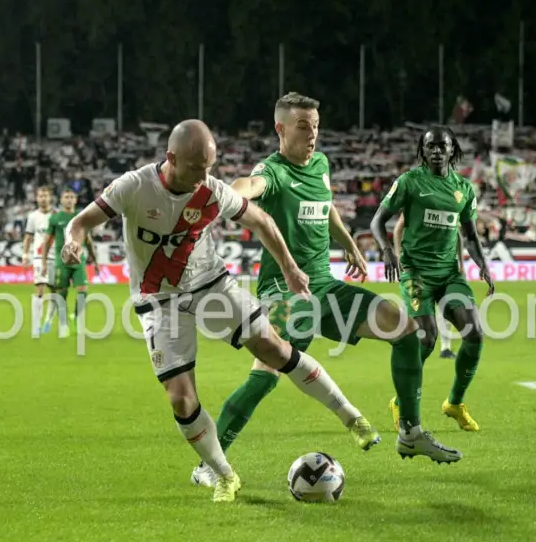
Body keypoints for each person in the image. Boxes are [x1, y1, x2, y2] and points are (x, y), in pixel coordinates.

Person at [63, 119, 384, 503]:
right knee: (181, 398)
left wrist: (289, 267)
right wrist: (73, 243)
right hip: (158, 300)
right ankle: (223, 474)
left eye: (210, 167)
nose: (204, 176)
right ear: (171, 158)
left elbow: (261, 220)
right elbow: (81, 223)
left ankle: (351, 416)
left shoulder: (212, 190)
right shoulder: (134, 186)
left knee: (274, 349)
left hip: (210, 286)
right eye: (197, 167)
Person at [191, 93, 463, 489]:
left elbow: (327, 204)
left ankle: (410, 432)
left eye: (316, 126)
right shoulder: (273, 171)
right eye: (303, 126)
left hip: (327, 288)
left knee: (406, 331)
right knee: (265, 375)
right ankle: (207, 464)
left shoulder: (320, 164)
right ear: (280, 129)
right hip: (283, 292)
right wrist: (224, 196)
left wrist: (348, 242)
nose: (313, 134)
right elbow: (247, 185)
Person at [370, 125, 495, 434]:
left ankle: (454, 403)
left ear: (453, 150)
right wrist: (387, 252)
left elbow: (470, 234)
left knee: (475, 334)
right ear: (422, 151)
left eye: (442, 145)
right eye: (430, 146)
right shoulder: (409, 183)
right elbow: (377, 221)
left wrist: (483, 265)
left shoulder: (464, 189)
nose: (437, 150)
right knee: (426, 338)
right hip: (416, 273)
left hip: (449, 273)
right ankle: (401, 401)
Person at [393, 213, 464, 360]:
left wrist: (460, 263)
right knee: (416, 308)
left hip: (441, 265)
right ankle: (400, 330)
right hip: (417, 265)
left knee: (443, 306)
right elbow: (399, 228)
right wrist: (398, 256)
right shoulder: (417, 202)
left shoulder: (446, 205)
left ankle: (445, 348)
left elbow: (457, 234)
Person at [41, 190, 99, 337]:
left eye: (72, 197)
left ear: (76, 200)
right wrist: (44, 262)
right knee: (61, 294)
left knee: (83, 291)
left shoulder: (81, 218)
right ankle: (64, 325)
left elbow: (88, 240)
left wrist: (95, 260)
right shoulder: (55, 219)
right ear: (60, 200)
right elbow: (47, 241)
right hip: (61, 262)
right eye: (66, 197)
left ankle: (74, 316)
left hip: (79, 260)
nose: (69, 200)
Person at [22, 186, 54, 336]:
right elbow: (28, 237)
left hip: (55, 256)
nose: (43, 198)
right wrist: (25, 254)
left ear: (50, 197)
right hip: (38, 257)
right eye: (40, 196)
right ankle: (36, 325)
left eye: (45, 196)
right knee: (39, 288)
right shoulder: (33, 216)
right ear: (36, 198)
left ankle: (48, 321)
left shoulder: (57, 215)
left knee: (55, 291)